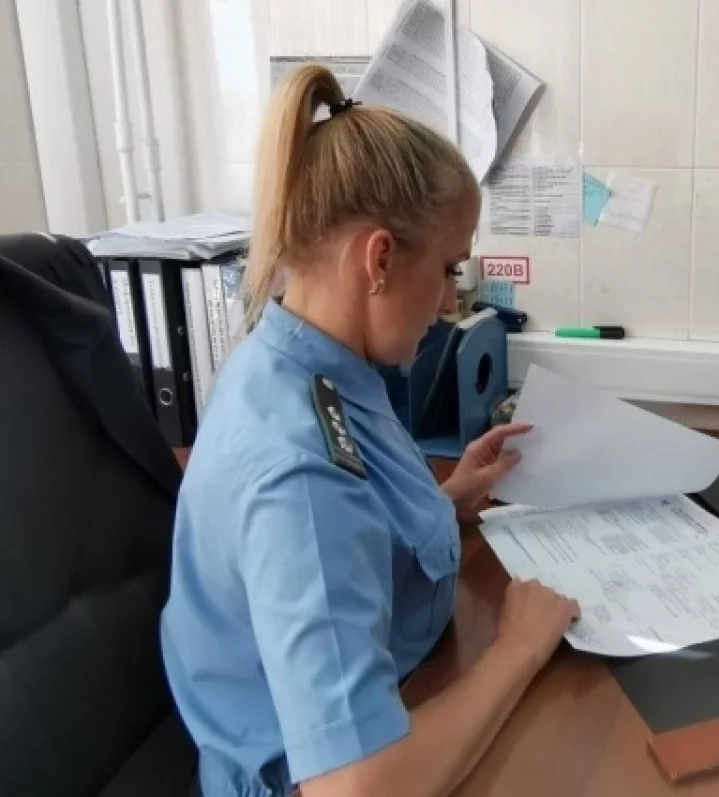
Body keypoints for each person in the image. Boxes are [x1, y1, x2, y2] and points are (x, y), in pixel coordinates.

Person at [160, 64, 580, 797]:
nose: (450, 300)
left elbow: (348, 533)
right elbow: (358, 787)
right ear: (379, 259)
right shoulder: (295, 471)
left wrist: (448, 499)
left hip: (401, 687)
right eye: (449, 268)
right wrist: (518, 649)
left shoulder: (308, 359)